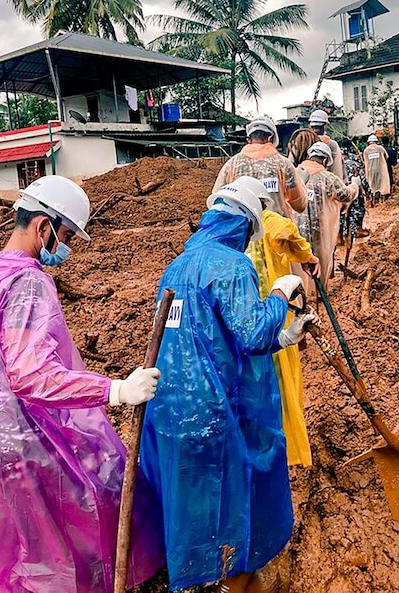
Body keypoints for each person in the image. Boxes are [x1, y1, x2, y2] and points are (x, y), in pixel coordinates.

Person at [0, 175, 164, 593]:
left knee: (11, 544)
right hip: (27, 440)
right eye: (64, 235)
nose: (65, 246)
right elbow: (31, 375)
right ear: (43, 226)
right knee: (88, 508)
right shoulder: (26, 283)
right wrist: (114, 390)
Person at [140, 177, 315, 592]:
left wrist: (285, 337)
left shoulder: (177, 266)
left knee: (192, 500)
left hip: (169, 407)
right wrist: (278, 294)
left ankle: (195, 573)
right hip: (217, 411)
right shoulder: (233, 265)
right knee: (232, 498)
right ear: (245, 227)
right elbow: (251, 335)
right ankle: (233, 578)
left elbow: (213, 337)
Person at [238, 177, 320, 469]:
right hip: (275, 310)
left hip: (242, 318)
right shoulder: (272, 222)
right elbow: (292, 239)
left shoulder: (232, 229)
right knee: (283, 380)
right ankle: (288, 450)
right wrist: (309, 258)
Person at [213, 116, 306, 220]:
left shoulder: (231, 165)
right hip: (276, 231)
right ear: (270, 138)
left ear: (248, 140)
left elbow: (218, 200)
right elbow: (300, 205)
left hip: (245, 230)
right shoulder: (284, 164)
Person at [295, 142, 359, 291]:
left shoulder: (294, 173)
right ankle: (318, 293)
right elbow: (345, 195)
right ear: (325, 160)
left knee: (299, 261)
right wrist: (355, 185)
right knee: (318, 261)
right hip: (318, 228)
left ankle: (302, 294)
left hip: (295, 228)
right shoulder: (327, 178)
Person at [338, 138, 371, 241]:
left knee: (341, 213)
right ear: (351, 147)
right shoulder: (354, 161)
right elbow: (362, 178)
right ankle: (356, 229)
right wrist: (368, 191)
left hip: (340, 192)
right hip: (353, 190)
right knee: (358, 208)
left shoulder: (336, 161)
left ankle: (339, 236)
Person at [306, 109, 345, 178]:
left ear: (310, 125)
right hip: (328, 183)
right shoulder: (332, 145)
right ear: (325, 126)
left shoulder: (302, 142)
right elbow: (337, 169)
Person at [364, 134, 392, 205]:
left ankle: (373, 200)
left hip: (370, 170)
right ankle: (382, 200)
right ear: (376, 141)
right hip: (381, 169)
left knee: (372, 185)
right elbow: (386, 156)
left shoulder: (366, 150)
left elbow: (365, 160)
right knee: (382, 184)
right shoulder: (380, 148)